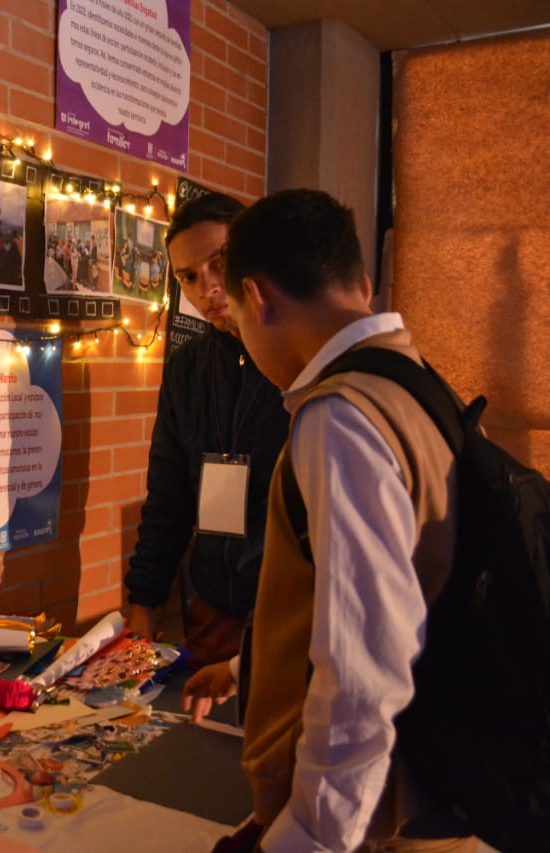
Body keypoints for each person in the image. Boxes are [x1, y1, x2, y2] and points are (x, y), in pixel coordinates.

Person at [186, 189, 474, 852]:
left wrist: (308, 836)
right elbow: (398, 587)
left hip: (380, 819)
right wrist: (247, 665)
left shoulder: (340, 416)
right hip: (436, 785)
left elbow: (364, 667)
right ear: (362, 284)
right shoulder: (416, 381)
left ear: (256, 298)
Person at [123, 192, 290, 668]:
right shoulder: (186, 369)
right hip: (213, 607)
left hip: (292, 613)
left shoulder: (294, 356)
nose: (208, 288)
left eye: (219, 263)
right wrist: (144, 600)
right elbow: (168, 497)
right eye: (189, 277)